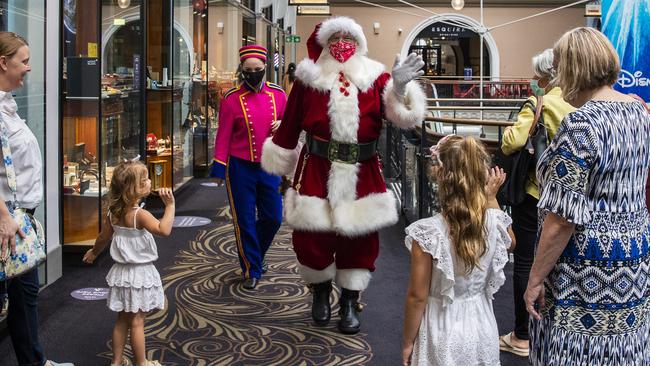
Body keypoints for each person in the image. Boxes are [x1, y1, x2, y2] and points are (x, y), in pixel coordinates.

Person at [261, 16, 426, 334]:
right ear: (323, 43)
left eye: (347, 37)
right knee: (311, 238)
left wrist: (401, 88)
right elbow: (292, 121)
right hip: (317, 167)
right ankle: (320, 291)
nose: (340, 43)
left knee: (360, 239)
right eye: (333, 37)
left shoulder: (375, 76)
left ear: (360, 41)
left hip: (362, 170)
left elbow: (400, 116)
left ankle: (350, 300)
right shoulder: (308, 78)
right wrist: (278, 159)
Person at [524, 27, 650, 365]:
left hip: (585, 275)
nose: (558, 78)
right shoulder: (639, 113)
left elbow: (563, 219)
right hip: (632, 265)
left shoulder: (580, 125)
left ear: (574, 68)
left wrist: (534, 280)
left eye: (561, 67)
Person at [401, 136, 515, 366]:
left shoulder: (428, 233)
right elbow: (511, 243)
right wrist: (490, 198)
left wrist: (407, 342)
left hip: (441, 330)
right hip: (482, 328)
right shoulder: (495, 222)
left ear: (440, 176)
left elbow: (417, 296)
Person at [0, 31, 74, 366]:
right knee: (19, 297)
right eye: (24, 61)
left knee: (24, 297)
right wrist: (3, 216)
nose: (28, 68)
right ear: (3, 62)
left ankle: (36, 362)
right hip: (7, 224)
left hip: (19, 221)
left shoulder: (8, 107)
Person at [498, 48, 574, 357]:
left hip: (534, 196)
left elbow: (512, 142)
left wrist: (509, 130)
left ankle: (522, 335)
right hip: (567, 199)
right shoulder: (579, 104)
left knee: (527, 261)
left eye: (537, 75)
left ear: (547, 76)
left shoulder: (540, 103)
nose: (533, 81)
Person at [83, 160, 175, 366]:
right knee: (137, 321)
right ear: (133, 189)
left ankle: (116, 362)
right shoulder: (140, 215)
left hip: (122, 274)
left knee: (122, 319)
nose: (150, 181)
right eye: (145, 180)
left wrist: (93, 253)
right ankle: (141, 362)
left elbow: (102, 238)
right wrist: (170, 206)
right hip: (139, 275)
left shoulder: (113, 214)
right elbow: (164, 230)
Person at [211, 45, 287, 290]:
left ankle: (255, 253)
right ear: (241, 70)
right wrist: (220, 168)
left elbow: (292, 127)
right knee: (244, 220)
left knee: (273, 217)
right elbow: (223, 136)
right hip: (240, 167)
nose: (253, 73)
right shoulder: (231, 99)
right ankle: (252, 268)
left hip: (270, 165)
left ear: (265, 68)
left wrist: (283, 124)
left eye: (257, 69)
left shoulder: (278, 94)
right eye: (248, 70)